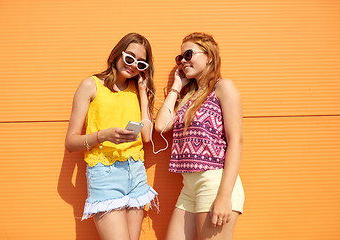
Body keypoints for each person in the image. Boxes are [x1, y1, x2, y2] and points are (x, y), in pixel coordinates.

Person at [65, 33, 158, 240]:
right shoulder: (91, 85)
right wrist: (104, 135)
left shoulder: (137, 90)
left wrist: (143, 92)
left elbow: (145, 137)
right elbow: (70, 143)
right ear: (118, 53)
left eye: (141, 64)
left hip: (136, 172)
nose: (133, 65)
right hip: (104, 174)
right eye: (129, 58)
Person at [155, 32, 245, 240]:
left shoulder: (223, 88)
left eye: (188, 54)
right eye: (180, 58)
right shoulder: (189, 96)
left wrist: (224, 196)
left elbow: (236, 142)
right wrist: (177, 86)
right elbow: (161, 125)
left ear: (210, 56)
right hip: (189, 186)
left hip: (214, 181)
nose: (183, 62)